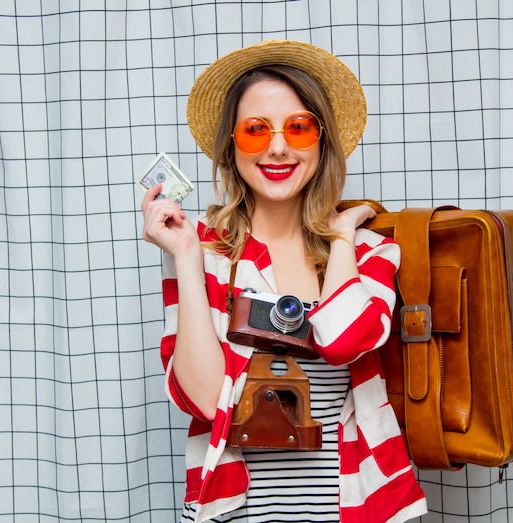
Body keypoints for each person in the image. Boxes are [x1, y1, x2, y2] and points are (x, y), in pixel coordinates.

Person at [141, 40, 427, 523]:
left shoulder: (368, 251)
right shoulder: (203, 250)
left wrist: (338, 238)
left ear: (322, 141)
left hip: (357, 506)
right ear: (231, 147)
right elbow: (205, 401)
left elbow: (343, 341)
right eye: (256, 130)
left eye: (298, 127)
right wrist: (188, 257)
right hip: (237, 509)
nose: (277, 146)